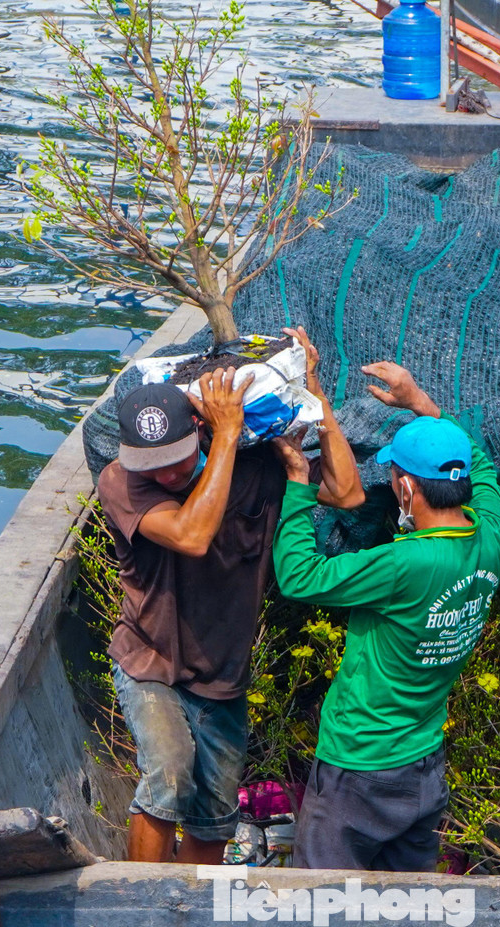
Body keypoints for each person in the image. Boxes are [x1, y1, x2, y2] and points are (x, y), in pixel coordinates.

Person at [96, 327, 362, 864]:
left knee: (215, 810)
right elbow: (191, 534)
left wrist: (312, 392)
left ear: (198, 429)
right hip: (151, 658)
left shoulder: (254, 469)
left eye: (175, 458)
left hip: (222, 669)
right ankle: (137, 906)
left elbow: (347, 493)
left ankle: (192, 910)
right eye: (152, 464)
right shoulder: (121, 483)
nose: (166, 474)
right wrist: (226, 437)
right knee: (169, 774)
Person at [270, 361, 500, 872]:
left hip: (358, 765)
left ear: (405, 489)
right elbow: (483, 466)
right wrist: (421, 402)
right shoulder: (491, 536)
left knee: (317, 907)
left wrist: (297, 482)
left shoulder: (404, 563)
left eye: (394, 473)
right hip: (424, 766)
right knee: (410, 906)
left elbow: (299, 576)